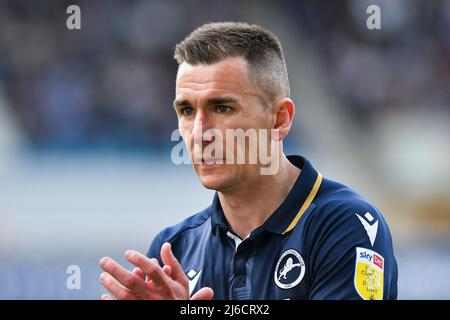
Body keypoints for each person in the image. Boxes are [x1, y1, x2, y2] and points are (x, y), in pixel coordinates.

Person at [99, 22, 398, 300]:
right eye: (187, 111)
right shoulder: (173, 248)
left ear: (279, 119)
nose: (200, 133)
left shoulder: (346, 226)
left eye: (222, 108)